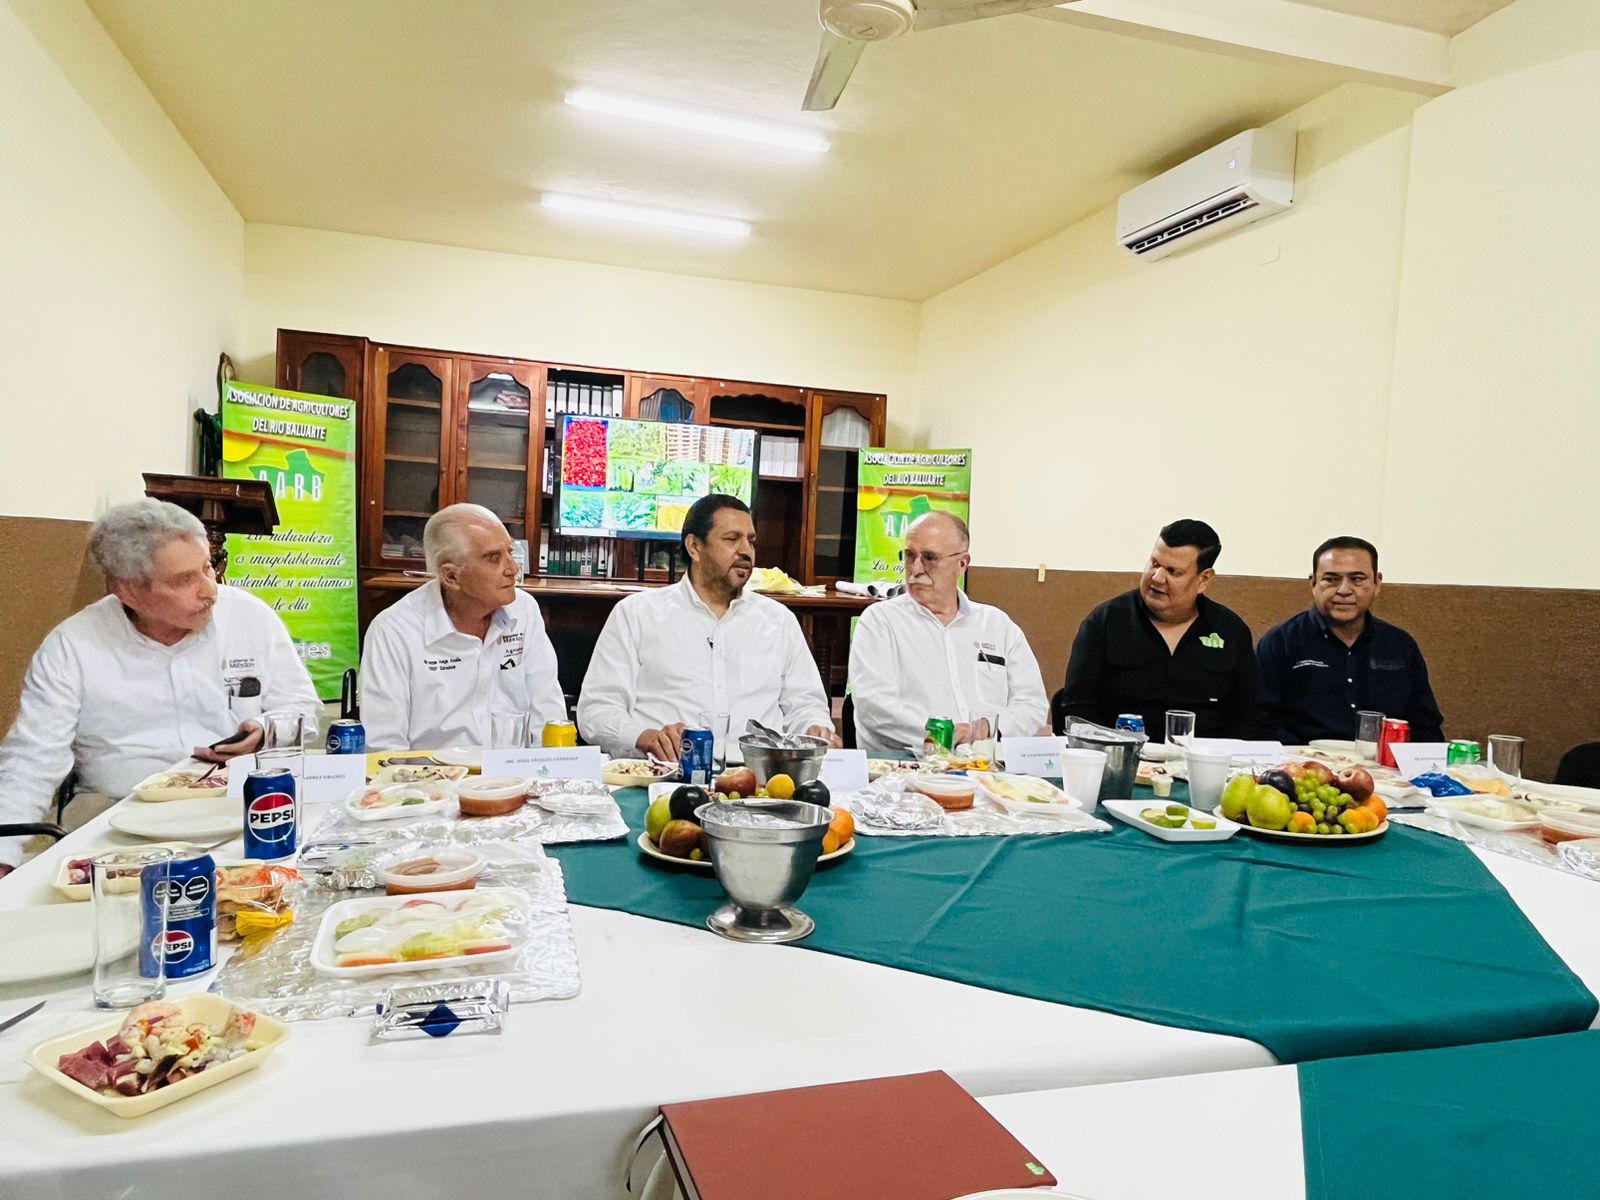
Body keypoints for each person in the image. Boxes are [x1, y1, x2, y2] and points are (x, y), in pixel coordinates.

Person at [0, 499, 320, 875]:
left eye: (207, 567)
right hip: (114, 818)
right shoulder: (74, 645)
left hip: (238, 806)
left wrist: (265, 731)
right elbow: (33, 757)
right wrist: (4, 854)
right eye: (185, 579)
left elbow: (303, 709)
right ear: (128, 591)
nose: (210, 590)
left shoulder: (249, 616)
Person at [578, 493, 836, 760]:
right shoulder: (637, 614)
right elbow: (597, 711)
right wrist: (645, 736)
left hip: (759, 775)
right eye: (731, 539)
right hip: (665, 772)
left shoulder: (778, 620)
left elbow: (806, 705)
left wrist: (815, 727)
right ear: (694, 547)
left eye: (750, 540)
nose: (746, 551)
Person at [360, 504, 566, 751]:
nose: (513, 569)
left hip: (514, 770)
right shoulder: (394, 631)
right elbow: (383, 746)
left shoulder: (525, 610)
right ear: (451, 577)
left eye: (510, 553)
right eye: (494, 558)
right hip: (430, 773)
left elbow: (548, 715)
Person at [848, 511, 1047, 755]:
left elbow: (1032, 704)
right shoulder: (880, 622)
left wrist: (986, 728)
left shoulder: (997, 625)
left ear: (962, 564)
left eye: (929, 558)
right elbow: (874, 707)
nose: (915, 569)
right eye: (909, 556)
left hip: (988, 764)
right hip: (909, 763)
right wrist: (944, 735)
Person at [1053, 519, 1262, 739]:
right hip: (1122, 754)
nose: (1157, 577)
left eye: (1173, 571)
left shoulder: (1231, 631)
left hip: (1206, 756)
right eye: (1154, 563)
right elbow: (1078, 709)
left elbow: (1249, 718)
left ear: (1203, 579)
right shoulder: (1105, 622)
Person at [1257, 536, 1443, 744]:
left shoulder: (1401, 646)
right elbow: (1260, 723)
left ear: (1377, 583)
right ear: (1313, 582)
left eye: (1357, 579)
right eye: (1331, 579)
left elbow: (1425, 727)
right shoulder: (1280, 643)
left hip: (1384, 763)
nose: (1344, 590)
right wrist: (1307, 758)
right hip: (1301, 760)